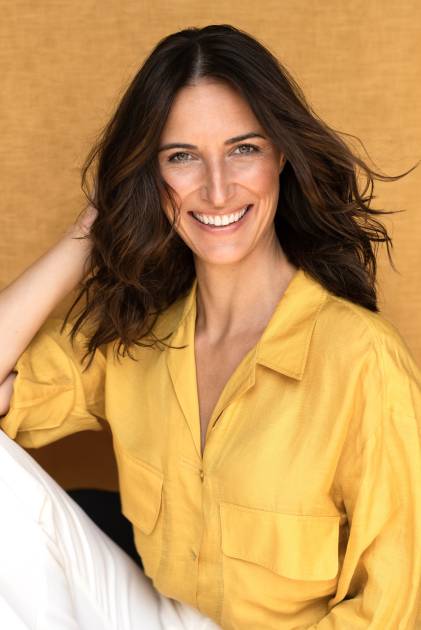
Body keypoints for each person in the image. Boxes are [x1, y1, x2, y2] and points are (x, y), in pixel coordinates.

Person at [1, 23, 421, 630]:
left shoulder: (363, 362)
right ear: (152, 176)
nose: (217, 189)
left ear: (281, 156)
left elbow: (392, 608)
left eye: (243, 149)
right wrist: (91, 229)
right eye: (182, 157)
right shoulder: (135, 340)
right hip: (159, 617)